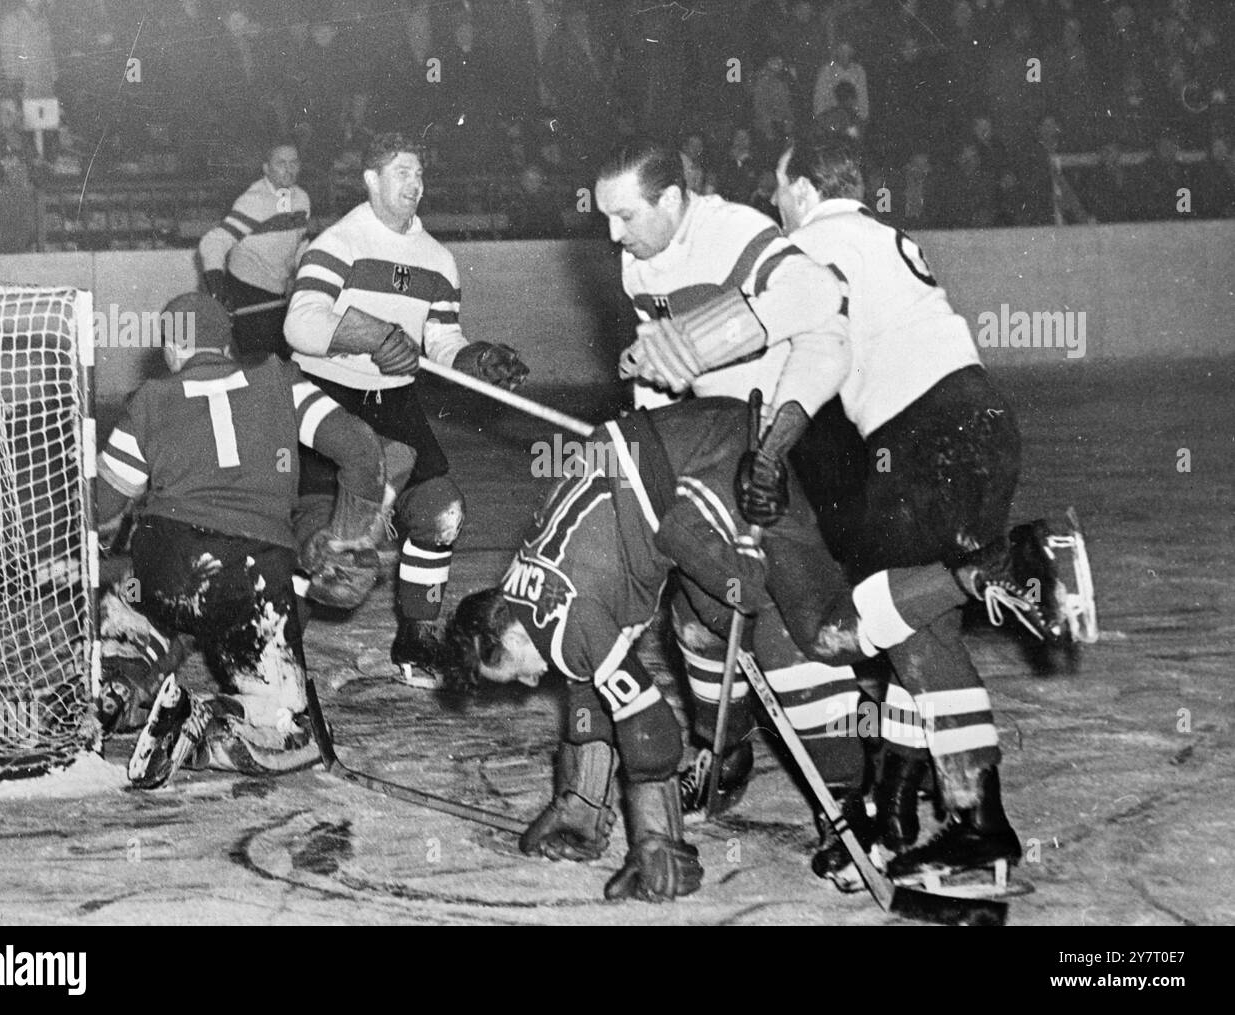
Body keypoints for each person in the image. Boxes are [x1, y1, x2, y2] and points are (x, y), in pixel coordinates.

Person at [621, 140, 1095, 890]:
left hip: (923, 435)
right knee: (919, 632)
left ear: (804, 189)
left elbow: (792, 317)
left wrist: (683, 351)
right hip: (979, 421)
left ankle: (1011, 567)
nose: (774, 205)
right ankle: (919, 817)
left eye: (779, 190)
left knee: (883, 617)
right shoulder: (880, 234)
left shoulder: (813, 241)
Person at [443, 398, 860, 901]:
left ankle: (850, 797)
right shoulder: (520, 596)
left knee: (782, 620)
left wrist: (655, 838)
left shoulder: (567, 618)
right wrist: (579, 802)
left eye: (516, 673)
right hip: (661, 470)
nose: (532, 683)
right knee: (701, 623)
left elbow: (652, 729)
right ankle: (727, 757)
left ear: (508, 636)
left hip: (716, 458)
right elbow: (588, 684)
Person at [593, 138, 864, 817]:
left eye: (626, 215)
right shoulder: (638, 262)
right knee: (696, 617)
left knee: (793, 621)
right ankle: (725, 747)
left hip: (788, 432)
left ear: (674, 201)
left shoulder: (734, 231)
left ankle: (850, 790)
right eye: (607, 217)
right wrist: (652, 455)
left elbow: (817, 295)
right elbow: (660, 373)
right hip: (711, 444)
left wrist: (716, 340)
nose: (613, 234)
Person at [94, 293, 400, 787]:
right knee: (288, 733)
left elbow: (103, 507)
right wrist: (345, 539)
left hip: (163, 567)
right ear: (229, 344)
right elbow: (361, 450)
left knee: (136, 591)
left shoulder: (148, 399)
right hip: (251, 577)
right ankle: (216, 721)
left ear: (174, 348)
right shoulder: (280, 380)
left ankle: (118, 684)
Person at [284, 131, 529, 689]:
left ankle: (417, 636)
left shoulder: (438, 259)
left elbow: (440, 340)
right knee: (322, 536)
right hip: (328, 397)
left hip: (393, 403)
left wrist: (474, 357)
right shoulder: (337, 243)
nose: (414, 186)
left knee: (442, 511)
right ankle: (283, 641)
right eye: (401, 173)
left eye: (419, 174)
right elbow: (300, 325)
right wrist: (368, 334)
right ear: (370, 179)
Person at [199, 140, 310, 361]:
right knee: (263, 366)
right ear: (266, 168)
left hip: (277, 294)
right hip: (246, 292)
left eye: (293, 162)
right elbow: (212, 242)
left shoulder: (301, 198)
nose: (288, 169)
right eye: (281, 163)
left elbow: (299, 243)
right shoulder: (253, 201)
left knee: (282, 362)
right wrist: (217, 288)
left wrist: (304, 277)